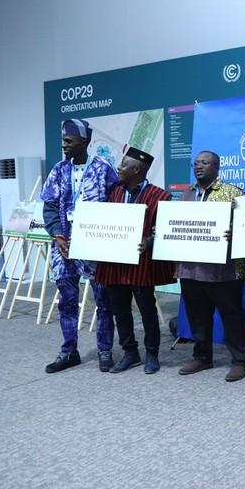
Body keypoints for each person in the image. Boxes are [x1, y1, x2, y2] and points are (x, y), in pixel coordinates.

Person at [41, 119, 119, 373]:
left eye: (68, 141)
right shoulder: (59, 170)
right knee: (66, 299)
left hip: (95, 243)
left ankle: (105, 349)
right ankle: (68, 351)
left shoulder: (104, 168)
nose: (64, 145)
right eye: (63, 140)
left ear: (83, 143)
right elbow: (50, 206)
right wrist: (57, 235)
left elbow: (116, 203)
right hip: (63, 244)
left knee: (103, 299)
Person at [95, 147, 175, 374]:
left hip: (142, 265)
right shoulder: (113, 194)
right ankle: (130, 352)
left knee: (147, 310)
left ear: (137, 169)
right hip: (113, 264)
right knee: (120, 311)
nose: (119, 169)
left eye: (123, 165)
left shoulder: (161, 197)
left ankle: (152, 353)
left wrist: (149, 241)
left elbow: (166, 231)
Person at [176, 151, 245, 382]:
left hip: (224, 271)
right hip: (190, 268)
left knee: (231, 316)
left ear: (217, 167)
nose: (199, 167)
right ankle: (202, 357)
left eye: (205, 163)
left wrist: (235, 232)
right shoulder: (185, 195)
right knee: (198, 316)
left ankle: (240, 361)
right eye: (196, 163)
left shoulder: (233, 193)